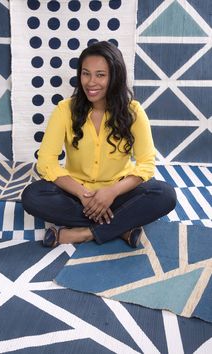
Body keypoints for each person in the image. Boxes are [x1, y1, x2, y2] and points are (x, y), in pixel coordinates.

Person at [22, 41, 177, 248]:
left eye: (100, 75)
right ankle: (121, 227)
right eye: (86, 74)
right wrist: (83, 194)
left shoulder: (134, 112)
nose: (91, 82)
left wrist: (111, 192)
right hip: (77, 194)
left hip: (119, 193)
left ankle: (84, 233)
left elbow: (146, 164)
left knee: (164, 195)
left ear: (115, 77)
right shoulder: (64, 110)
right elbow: (46, 162)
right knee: (32, 196)